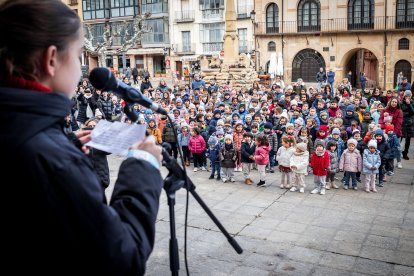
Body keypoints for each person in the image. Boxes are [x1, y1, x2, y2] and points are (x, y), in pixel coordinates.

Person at [0, 1, 163, 274]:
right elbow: (122, 258)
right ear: (51, 59)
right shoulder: (51, 159)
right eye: (78, 56)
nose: (81, 69)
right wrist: (143, 167)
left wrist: (64, 142)